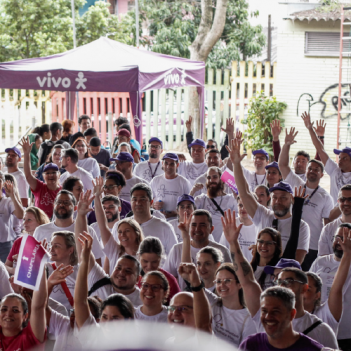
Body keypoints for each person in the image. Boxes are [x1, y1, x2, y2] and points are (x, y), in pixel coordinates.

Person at [221, 209, 338, 349]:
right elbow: (247, 281)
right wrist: (233, 243)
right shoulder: (263, 319)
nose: (281, 285)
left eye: (288, 281)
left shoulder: (320, 330)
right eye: (278, 280)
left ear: (304, 287)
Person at [228, 138, 310, 264]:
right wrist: (236, 164)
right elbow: (244, 193)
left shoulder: (302, 226)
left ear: (292, 199)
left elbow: (297, 260)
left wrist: (264, 251)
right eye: (275, 197)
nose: (278, 201)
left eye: (283, 197)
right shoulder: (263, 215)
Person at [278, 127, 334, 270]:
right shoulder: (296, 183)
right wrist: (287, 144)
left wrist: (326, 249)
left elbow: (327, 225)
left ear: (322, 174)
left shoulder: (325, 197)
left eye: (316, 170)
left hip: (313, 246)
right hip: (291, 240)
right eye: (310, 168)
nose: (312, 171)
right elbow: (282, 165)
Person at [74, 195, 142, 306]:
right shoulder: (100, 282)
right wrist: (81, 215)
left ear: (138, 279)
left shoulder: (144, 301)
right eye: (118, 268)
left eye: (128, 270)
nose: (121, 273)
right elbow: (83, 248)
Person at [74, 230, 134, 334]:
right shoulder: (92, 336)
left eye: (115, 318)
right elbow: (80, 302)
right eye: (104, 317)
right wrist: (85, 260)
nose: (108, 323)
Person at [163, 210, 231, 290]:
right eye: (194, 225)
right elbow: (167, 277)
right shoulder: (177, 249)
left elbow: (229, 278)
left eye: (202, 225)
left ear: (211, 229)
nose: (197, 229)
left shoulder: (222, 251)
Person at [238, 287, 323, 351]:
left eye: (275, 311)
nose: (268, 317)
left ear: (292, 314)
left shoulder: (312, 349)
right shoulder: (250, 345)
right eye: (264, 311)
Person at [33, 190, 103, 265]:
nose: (61, 205)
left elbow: (97, 260)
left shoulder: (87, 230)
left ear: (75, 208)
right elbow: (32, 259)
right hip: (49, 275)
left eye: (66, 203)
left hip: (78, 275)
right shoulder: (40, 230)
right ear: (54, 205)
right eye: (58, 202)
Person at [310, 224, 351, 350]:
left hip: (347, 332)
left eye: (346, 238)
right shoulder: (320, 262)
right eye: (337, 237)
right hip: (320, 327)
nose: (340, 242)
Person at [112, 183, 177, 254]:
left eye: (142, 199)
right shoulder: (119, 227)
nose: (138, 203)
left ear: (151, 202)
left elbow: (174, 257)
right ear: (131, 202)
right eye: (134, 199)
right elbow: (112, 254)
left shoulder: (165, 227)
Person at [94, 179, 143, 273]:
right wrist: (97, 196)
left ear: (137, 233)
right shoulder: (114, 251)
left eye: (127, 231)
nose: (122, 235)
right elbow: (102, 225)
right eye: (119, 232)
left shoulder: (144, 256)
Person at [301, 111, 351, 204]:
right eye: (339, 157)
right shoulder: (334, 170)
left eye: (344, 158)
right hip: (334, 217)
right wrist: (310, 128)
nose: (340, 160)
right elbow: (320, 150)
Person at [206, 263, 257, 347]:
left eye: (227, 281)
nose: (222, 285)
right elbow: (194, 283)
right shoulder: (212, 301)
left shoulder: (249, 318)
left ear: (240, 284)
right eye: (218, 281)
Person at [0, 269, 47, 350]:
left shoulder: (31, 336)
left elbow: (39, 307)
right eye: (4, 309)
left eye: (15, 310)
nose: (8, 314)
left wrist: (41, 266)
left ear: (25, 316)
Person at [20, 136, 62, 218]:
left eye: (54, 172)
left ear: (59, 175)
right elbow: (28, 175)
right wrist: (26, 153)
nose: (51, 175)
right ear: (43, 176)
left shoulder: (62, 191)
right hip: (39, 223)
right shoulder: (39, 187)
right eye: (47, 173)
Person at [194, 166, 238, 242]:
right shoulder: (202, 199)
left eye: (215, 177)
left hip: (225, 243)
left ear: (221, 179)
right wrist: (193, 191)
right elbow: (187, 210)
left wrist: (237, 198)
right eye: (208, 178)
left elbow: (241, 218)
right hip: (205, 243)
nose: (211, 180)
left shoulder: (231, 199)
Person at [5, 207, 50, 275]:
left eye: (29, 220)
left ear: (40, 221)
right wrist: (14, 270)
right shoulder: (19, 241)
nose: (24, 223)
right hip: (18, 283)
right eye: (24, 219)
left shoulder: (47, 241)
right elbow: (6, 266)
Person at [137, 237, 180, 305]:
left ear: (160, 259)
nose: (149, 266)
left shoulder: (170, 281)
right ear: (139, 257)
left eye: (154, 262)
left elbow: (177, 307)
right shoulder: (132, 277)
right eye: (145, 261)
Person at [151, 153, 191, 220]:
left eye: (172, 164)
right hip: (158, 220)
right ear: (162, 164)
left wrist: (176, 213)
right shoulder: (155, 181)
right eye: (166, 163)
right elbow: (149, 201)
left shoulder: (184, 182)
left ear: (177, 165)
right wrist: (154, 205)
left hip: (177, 221)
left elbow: (190, 205)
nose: (168, 166)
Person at [219, 197, 258, 262]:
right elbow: (222, 250)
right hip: (233, 268)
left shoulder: (259, 225)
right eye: (240, 205)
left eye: (246, 205)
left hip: (253, 268)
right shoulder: (231, 224)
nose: (243, 208)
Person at [319, 184, 351, 256]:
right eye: (342, 199)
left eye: (350, 200)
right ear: (338, 201)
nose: (346, 203)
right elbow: (322, 259)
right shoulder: (328, 228)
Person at [0, 174, 24, 263]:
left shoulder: (8, 201)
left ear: (3, 183)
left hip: (5, 245)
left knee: (6, 274)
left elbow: (20, 215)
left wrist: (13, 195)